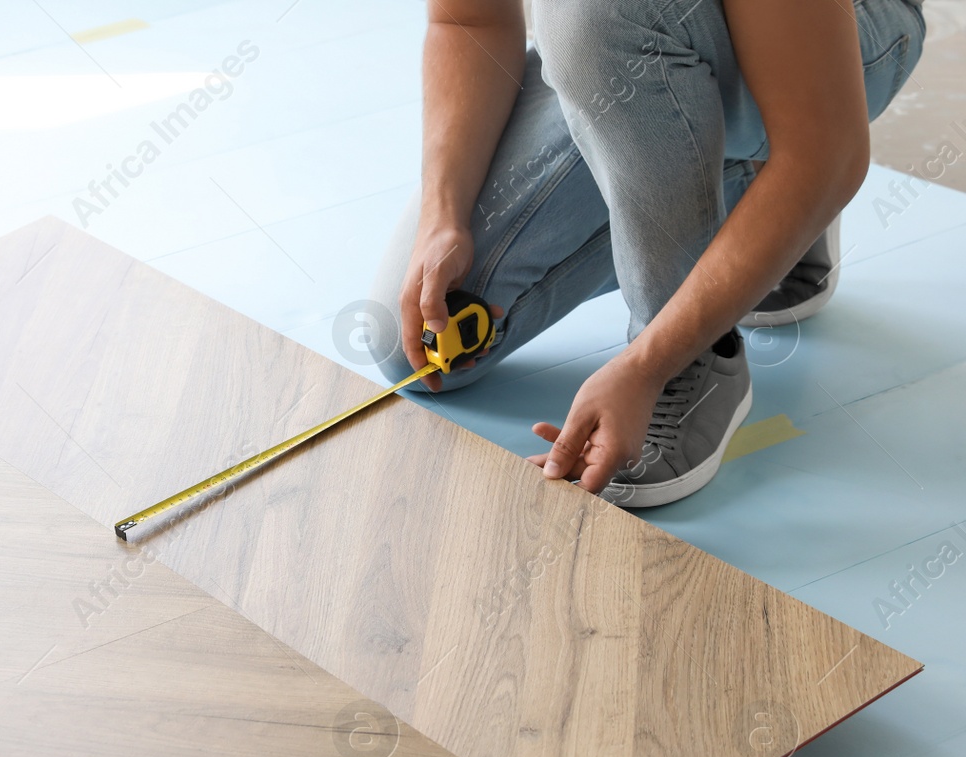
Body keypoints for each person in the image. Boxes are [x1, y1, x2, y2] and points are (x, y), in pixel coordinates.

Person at [370, 0, 925, 505]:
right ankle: (753, 195)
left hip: (845, 38)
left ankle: (698, 355)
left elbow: (826, 152)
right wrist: (443, 216)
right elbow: (468, 19)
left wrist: (649, 365)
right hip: (632, 37)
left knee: (594, 15)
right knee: (411, 347)